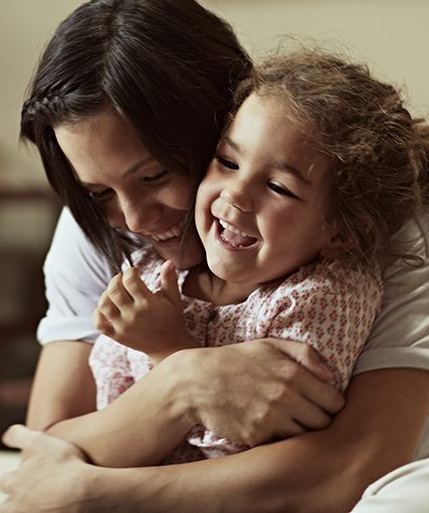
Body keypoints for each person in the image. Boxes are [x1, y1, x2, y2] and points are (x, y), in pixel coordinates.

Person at [0, 0, 429, 512]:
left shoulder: (392, 225)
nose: (134, 218)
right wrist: (183, 383)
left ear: (226, 120)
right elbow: (45, 455)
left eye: (155, 175)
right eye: (98, 191)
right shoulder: (101, 224)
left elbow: (349, 466)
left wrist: (100, 491)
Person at [90, 52, 408, 463]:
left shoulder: (323, 298)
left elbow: (262, 448)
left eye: (278, 187)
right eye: (227, 162)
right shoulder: (153, 274)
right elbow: (106, 411)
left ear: (341, 233)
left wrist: (171, 351)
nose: (236, 194)